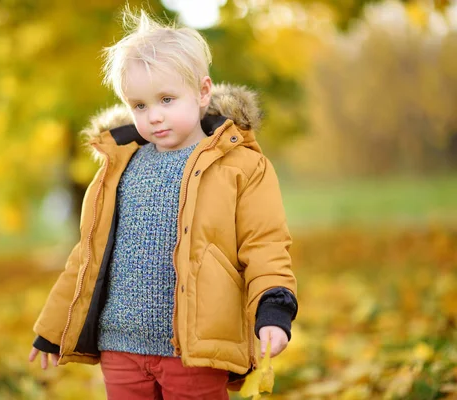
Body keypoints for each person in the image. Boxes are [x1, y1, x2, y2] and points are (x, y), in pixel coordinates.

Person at [29, 9, 298, 400]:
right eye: (139, 106)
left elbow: (265, 243)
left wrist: (273, 308)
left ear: (203, 92)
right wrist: (53, 329)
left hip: (194, 348)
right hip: (119, 344)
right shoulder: (118, 167)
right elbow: (86, 255)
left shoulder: (240, 166)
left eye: (166, 100)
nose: (153, 116)